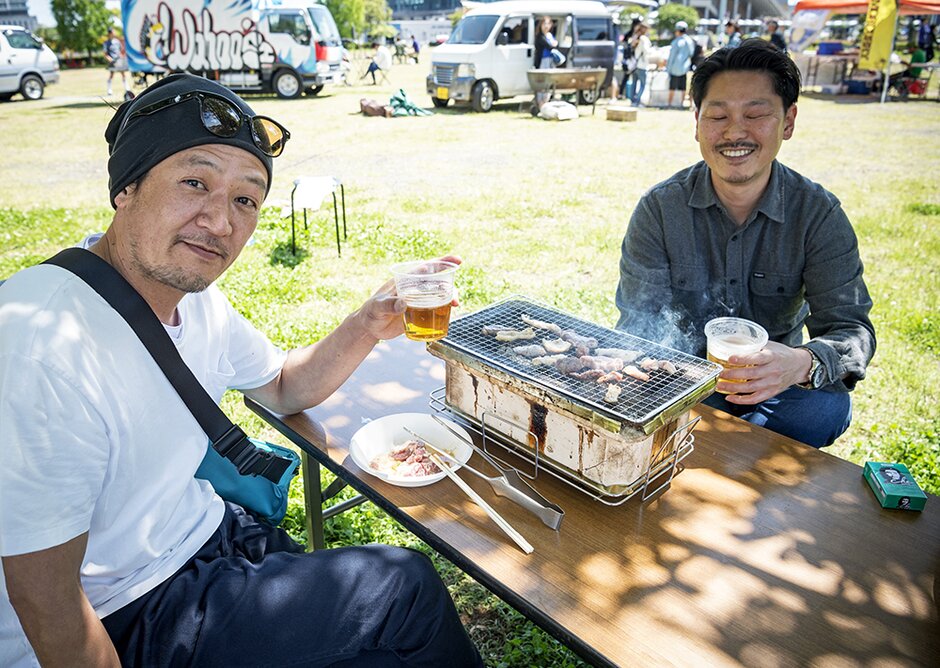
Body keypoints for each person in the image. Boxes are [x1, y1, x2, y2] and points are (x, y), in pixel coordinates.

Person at [0, 73, 483, 667]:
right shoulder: (38, 348)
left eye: (245, 199)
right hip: (123, 607)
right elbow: (46, 602)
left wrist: (366, 323)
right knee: (405, 587)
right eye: (194, 182)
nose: (221, 222)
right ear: (126, 188)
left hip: (203, 536)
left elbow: (283, 387)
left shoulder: (193, 296)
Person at [614, 39, 876, 449]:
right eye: (717, 115)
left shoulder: (818, 215)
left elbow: (851, 330)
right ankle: (724, 440)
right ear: (697, 120)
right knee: (644, 396)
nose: (735, 132)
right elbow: (638, 322)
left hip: (776, 387)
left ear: (788, 121)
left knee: (826, 409)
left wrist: (798, 364)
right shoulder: (660, 210)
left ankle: (717, 443)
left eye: (755, 114)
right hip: (678, 380)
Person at [665, 20, 696, 108]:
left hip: (674, 68)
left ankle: (669, 104)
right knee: (683, 87)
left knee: (672, 87)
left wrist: (668, 69)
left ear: (678, 31)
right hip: (684, 68)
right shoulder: (689, 41)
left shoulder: (676, 42)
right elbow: (691, 53)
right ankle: (681, 104)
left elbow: (671, 57)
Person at [533, 16, 560, 110]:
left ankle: (545, 102)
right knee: (541, 83)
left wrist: (554, 45)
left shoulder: (550, 35)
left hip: (550, 61)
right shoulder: (539, 36)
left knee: (549, 83)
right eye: (544, 24)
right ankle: (540, 103)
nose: (546, 26)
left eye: (548, 24)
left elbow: (556, 46)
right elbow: (550, 46)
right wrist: (554, 44)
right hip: (542, 62)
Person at [625, 22, 652, 106]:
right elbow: (647, 51)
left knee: (634, 83)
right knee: (643, 84)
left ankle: (632, 101)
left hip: (634, 64)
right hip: (642, 65)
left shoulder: (635, 37)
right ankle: (637, 101)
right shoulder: (644, 39)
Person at [103, 27, 130, 98]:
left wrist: (121, 57)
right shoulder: (106, 43)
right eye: (112, 32)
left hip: (119, 60)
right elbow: (105, 54)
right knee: (111, 75)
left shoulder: (117, 42)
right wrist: (110, 59)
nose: (113, 34)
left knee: (123, 74)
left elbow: (121, 50)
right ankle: (109, 89)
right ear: (109, 34)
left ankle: (127, 88)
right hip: (112, 61)